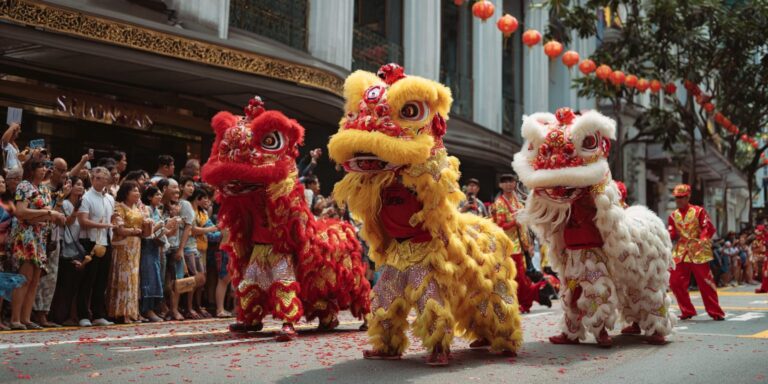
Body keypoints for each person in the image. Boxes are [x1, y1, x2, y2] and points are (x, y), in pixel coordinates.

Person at [8, 160, 66, 330]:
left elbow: (46, 215)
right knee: (24, 278)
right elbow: (21, 212)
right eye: (41, 167)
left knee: (34, 280)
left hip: (40, 235)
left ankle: (26, 318)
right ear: (32, 170)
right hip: (26, 235)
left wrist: (48, 215)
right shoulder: (24, 186)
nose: (44, 170)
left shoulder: (44, 189)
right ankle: (15, 318)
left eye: (45, 167)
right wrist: (47, 213)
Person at [491, 173, 549, 314]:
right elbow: (499, 225)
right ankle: (529, 297)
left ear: (515, 183)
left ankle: (527, 299)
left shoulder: (518, 202)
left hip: (521, 246)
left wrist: (529, 244)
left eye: (511, 181)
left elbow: (525, 226)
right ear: (500, 185)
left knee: (521, 276)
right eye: (505, 182)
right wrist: (514, 223)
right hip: (509, 246)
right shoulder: (499, 203)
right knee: (517, 277)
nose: (508, 184)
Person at [668, 184, 725, 321]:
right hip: (681, 251)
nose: (679, 200)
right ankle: (687, 310)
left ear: (688, 197)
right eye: (677, 197)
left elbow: (707, 227)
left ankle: (715, 311)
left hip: (698, 249)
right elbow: (672, 233)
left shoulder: (699, 211)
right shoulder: (673, 216)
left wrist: (703, 239)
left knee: (705, 282)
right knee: (674, 281)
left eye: (681, 197)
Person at [76, 166, 115, 327]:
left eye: (103, 178)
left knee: (101, 280)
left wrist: (114, 222)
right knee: (88, 280)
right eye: (97, 178)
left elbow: (112, 219)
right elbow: (83, 221)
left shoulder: (110, 198)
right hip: (90, 240)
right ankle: (83, 315)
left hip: (106, 240)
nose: (100, 181)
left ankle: (98, 313)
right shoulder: (86, 197)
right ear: (92, 179)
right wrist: (102, 225)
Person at [49, 176, 86, 325]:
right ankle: (59, 316)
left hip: (77, 245)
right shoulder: (64, 203)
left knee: (74, 284)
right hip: (65, 245)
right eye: (77, 184)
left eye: (82, 185)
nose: (80, 187)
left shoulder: (82, 203)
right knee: (65, 283)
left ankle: (70, 315)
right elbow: (67, 223)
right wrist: (76, 210)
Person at [107, 181, 145, 324]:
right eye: (134, 190)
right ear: (126, 192)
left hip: (136, 246)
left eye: (138, 190)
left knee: (133, 279)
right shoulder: (119, 207)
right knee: (123, 278)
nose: (137, 193)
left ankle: (131, 312)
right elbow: (119, 229)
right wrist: (134, 231)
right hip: (122, 246)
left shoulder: (138, 207)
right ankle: (120, 312)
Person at [139, 186, 166, 322]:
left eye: (161, 194)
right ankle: (146, 310)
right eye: (157, 195)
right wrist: (160, 226)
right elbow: (146, 232)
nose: (160, 197)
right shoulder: (146, 209)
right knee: (148, 278)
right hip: (147, 247)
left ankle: (153, 308)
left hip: (156, 247)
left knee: (156, 277)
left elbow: (160, 232)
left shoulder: (158, 211)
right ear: (149, 197)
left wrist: (168, 226)